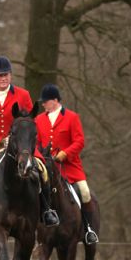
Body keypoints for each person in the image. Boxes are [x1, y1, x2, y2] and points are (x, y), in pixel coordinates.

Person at [0, 55, 59, 226]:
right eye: (0, 75)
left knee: (43, 171)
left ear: (10, 75)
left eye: (6, 74)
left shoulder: (23, 95)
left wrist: (37, 146)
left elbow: (32, 123)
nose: (3, 78)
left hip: (19, 144)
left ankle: (46, 210)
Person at [35, 84, 99, 244]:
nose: (43, 104)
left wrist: (65, 153)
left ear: (55, 100)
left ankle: (88, 230)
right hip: (46, 169)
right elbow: (35, 143)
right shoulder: (38, 120)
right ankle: (33, 232)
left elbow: (79, 141)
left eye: (45, 101)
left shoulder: (72, 117)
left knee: (84, 192)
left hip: (70, 168)